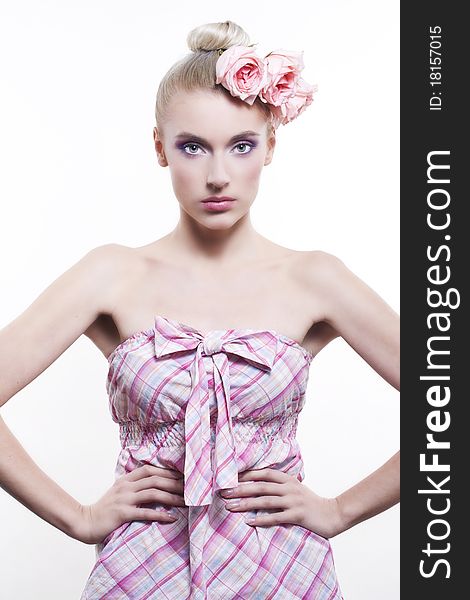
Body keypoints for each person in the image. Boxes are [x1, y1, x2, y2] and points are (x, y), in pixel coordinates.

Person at [0, 19, 399, 599]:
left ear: (270, 147)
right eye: (193, 146)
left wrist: (340, 509)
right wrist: (78, 517)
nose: (217, 176)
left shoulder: (314, 279)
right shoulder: (112, 274)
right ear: (160, 148)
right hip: (143, 575)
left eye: (242, 146)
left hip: (283, 572)